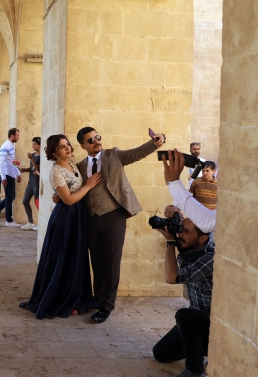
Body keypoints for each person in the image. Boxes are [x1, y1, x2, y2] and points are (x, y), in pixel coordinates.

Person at [74, 127, 165, 323]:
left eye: (98, 137)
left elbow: (136, 153)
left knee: (112, 261)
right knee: (96, 261)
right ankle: (97, 299)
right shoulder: (80, 166)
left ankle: (107, 305)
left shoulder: (113, 155)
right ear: (83, 145)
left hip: (114, 215)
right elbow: (74, 188)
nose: (97, 141)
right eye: (91, 140)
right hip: (90, 218)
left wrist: (156, 142)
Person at [19, 135, 101, 319]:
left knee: (76, 258)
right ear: (54, 152)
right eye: (62, 147)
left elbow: (67, 194)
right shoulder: (56, 171)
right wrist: (88, 186)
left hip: (78, 217)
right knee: (64, 257)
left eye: (68, 145)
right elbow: (69, 199)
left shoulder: (73, 165)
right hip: (66, 218)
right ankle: (62, 300)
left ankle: (75, 297)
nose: (67, 148)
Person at [152, 212, 214, 377]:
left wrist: (171, 242)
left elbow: (171, 277)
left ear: (203, 238)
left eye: (186, 231)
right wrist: (173, 214)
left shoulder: (210, 258)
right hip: (197, 322)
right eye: (181, 229)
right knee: (161, 353)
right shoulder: (191, 249)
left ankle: (195, 370)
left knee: (184, 316)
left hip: (214, 324)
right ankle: (202, 351)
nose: (180, 233)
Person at [163, 149, 217, 240]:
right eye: (203, 171)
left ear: (214, 171)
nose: (205, 173)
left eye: (207, 171)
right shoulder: (196, 181)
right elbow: (190, 196)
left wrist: (173, 183)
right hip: (196, 217)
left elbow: (209, 221)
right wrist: (177, 208)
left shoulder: (220, 185)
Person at [0, 128, 22, 227]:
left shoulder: (11, 146)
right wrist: (3, 177)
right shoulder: (5, 146)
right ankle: (9, 220)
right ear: (12, 136)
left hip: (11, 174)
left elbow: (12, 161)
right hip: (7, 175)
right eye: (17, 135)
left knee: (11, 197)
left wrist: (18, 173)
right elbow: (1, 162)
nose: (18, 137)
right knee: (9, 197)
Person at [19, 137, 41, 231]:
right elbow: (32, 168)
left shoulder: (42, 156)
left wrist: (31, 158)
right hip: (30, 182)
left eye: (35, 144)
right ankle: (30, 222)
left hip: (37, 182)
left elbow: (38, 170)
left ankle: (41, 223)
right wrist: (24, 170)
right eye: (32, 144)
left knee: (38, 204)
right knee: (25, 201)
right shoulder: (32, 155)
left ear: (40, 145)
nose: (33, 146)